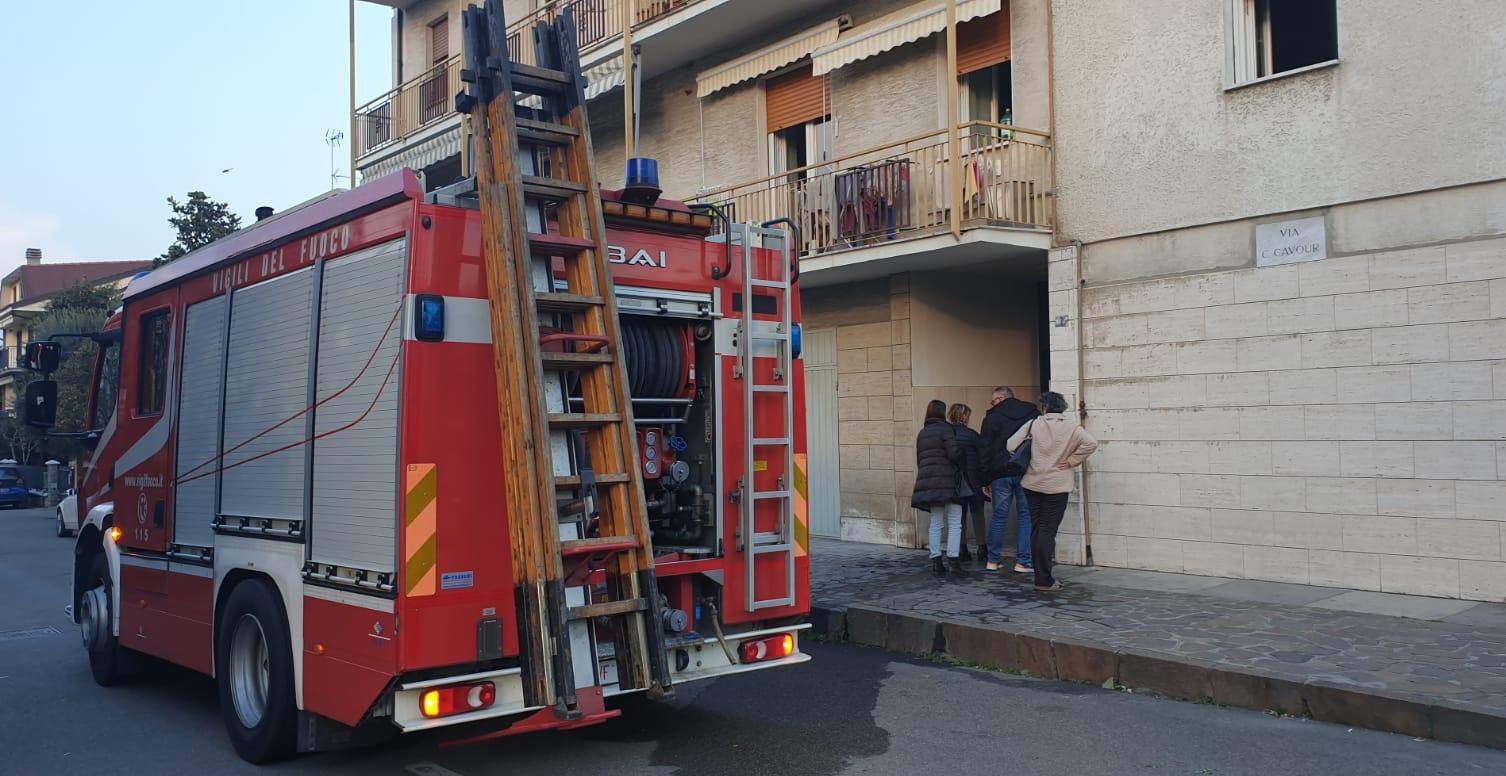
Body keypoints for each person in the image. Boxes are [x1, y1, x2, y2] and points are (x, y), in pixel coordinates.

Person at [1006, 391, 1098, 592]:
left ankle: (1041, 576)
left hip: (1032, 484)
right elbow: (1091, 443)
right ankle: (1044, 579)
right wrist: (1072, 460)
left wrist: (1029, 458)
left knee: (1037, 528)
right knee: (1047, 531)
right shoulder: (1071, 427)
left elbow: (1010, 445)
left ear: (1044, 406)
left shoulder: (1033, 424)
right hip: (1057, 485)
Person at [978, 386, 1040, 573]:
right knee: (1025, 516)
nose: (992, 404)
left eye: (993, 401)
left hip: (999, 473)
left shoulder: (992, 418)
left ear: (1001, 398)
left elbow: (984, 450)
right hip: (1024, 470)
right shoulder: (1032, 414)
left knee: (998, 516)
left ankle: (993, 561)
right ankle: (1022, 562)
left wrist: (984, 479)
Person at [911, 399, 967, 577]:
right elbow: (953, 453)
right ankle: (953, 561)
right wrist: (962, 453)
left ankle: (936, 561)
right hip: (949, 482)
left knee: (935, 523)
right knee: (955, 521)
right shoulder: (946, 429)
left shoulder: (922, 432)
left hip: (930, 483)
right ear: (943, 413)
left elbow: (920, 461)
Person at [948, 403, 986, 563]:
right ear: (965, 417)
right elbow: (981, 458)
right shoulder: (972, 435)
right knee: (978, 515)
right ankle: (982, 549)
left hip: (956, 481)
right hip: (973, 479)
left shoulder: (947, 434)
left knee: (959, 516)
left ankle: (962, 549)